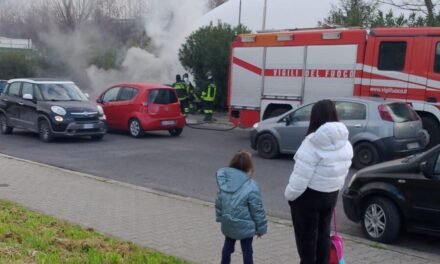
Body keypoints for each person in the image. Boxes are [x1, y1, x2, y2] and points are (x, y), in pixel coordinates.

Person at [284, 99, 353, 264]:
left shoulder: (312, 143)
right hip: (330, 195)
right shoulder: (345, 142)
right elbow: (344, 169)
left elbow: (300, 177)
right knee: (323, 236)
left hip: (308, 198)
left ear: (315, 117)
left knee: (306, 240)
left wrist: (290, 196)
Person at [216, 150, 267, 264]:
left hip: (228, 222)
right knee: (247, 250)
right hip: (246, 226)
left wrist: (220, 217)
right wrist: (261, 229)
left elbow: (219, 202)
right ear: (248, 168)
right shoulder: (252, 186)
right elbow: (257, 210)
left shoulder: (225, 183)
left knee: (227, 247)